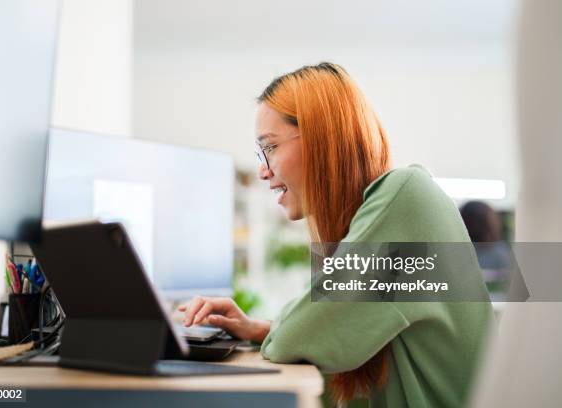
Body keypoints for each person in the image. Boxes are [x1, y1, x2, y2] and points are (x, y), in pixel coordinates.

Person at [179, 63, 494, 407]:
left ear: (321, 139)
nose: (262, 170)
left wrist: (274, 332)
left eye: (269, 147)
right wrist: (259, 329)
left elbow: (301, 336)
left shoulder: (406, 195)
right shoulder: (376, 214)